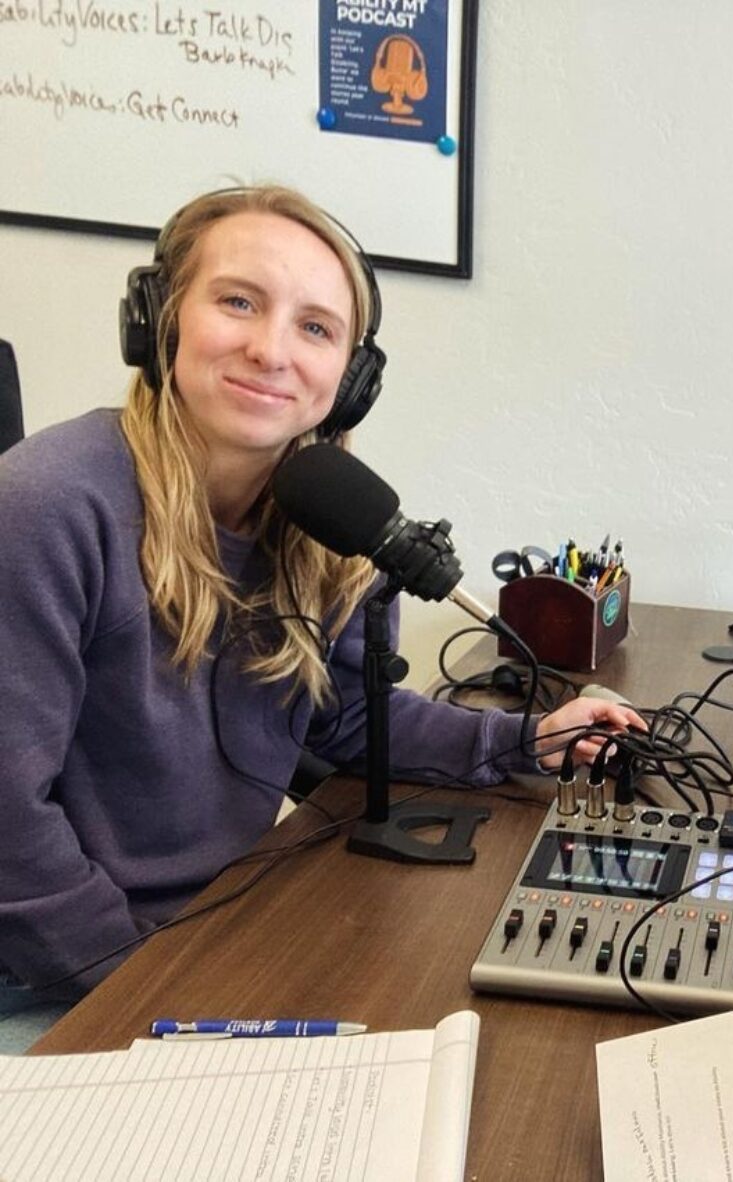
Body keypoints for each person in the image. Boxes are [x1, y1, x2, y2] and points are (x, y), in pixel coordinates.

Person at [0, 185, 639, 1006]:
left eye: (314, 327)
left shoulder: (325, 519)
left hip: (210, 923)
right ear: (160, 319)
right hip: (52, 975)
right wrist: (144, 1001)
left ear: (352, 377)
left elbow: (343, 716)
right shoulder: (48, 505)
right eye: (237, 301)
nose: (272, 350)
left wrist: (527, 742)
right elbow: (10, 830)